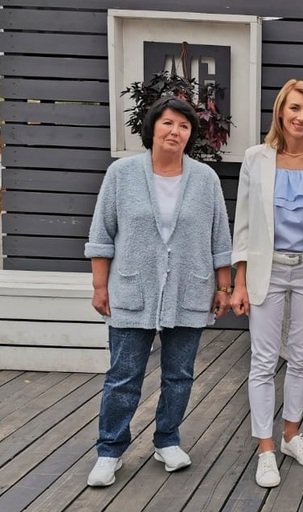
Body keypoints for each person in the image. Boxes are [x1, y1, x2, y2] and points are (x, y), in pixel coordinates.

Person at [85, 96, 233, 487]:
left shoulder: (205, 179)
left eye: (184, 126)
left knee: (179, 375)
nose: (175, 132)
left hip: (189, 287)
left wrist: (224, 286)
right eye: (168, 123)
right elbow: (102, 234)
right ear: (152, 127)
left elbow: (220, 238)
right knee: (123, 376)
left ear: (190, 135)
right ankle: (110, 449)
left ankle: (167, 439)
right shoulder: (122, 174)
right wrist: (99, 286)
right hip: (132, 288)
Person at [230, 79, 303, 488]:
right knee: (263, 361)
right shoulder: (256, 158)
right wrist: (239, 282)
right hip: (266, 270)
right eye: (295, 108)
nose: (301, 117)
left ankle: (291, 435)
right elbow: (244, 224)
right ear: (280, 110)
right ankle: (265, 449)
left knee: (302, 359)